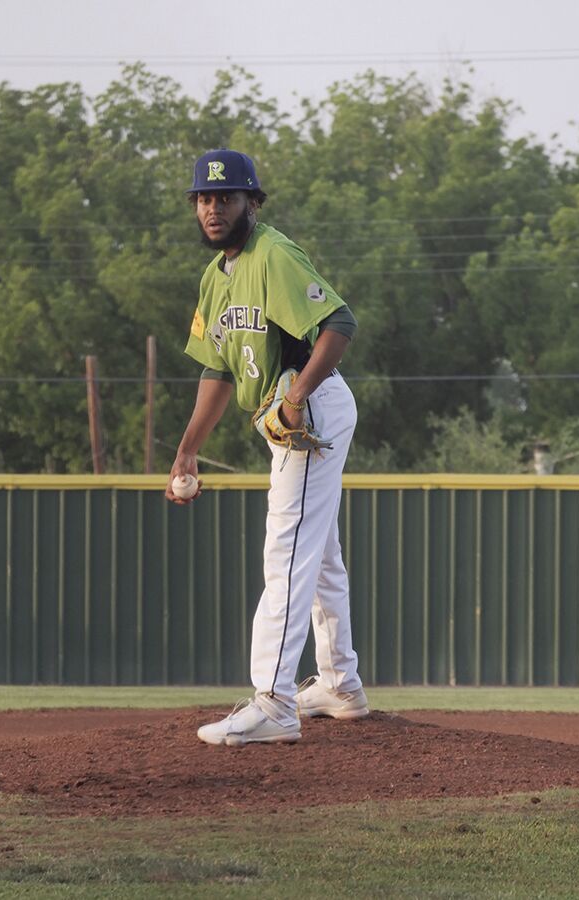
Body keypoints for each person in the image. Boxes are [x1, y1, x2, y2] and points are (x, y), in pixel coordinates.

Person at [166, 148, 369, 746]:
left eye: (225, 198)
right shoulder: (214, 279)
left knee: (286, 550)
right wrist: (186, 452)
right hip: (292, 414)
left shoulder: (273, 253)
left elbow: (340, 323)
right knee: (320, 553)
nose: (212, 208)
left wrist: (297, 397)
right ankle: (340, 685)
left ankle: (275, 702)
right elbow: (215, 373)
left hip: (314, 410)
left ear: (252, 203)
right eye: (204, 198)